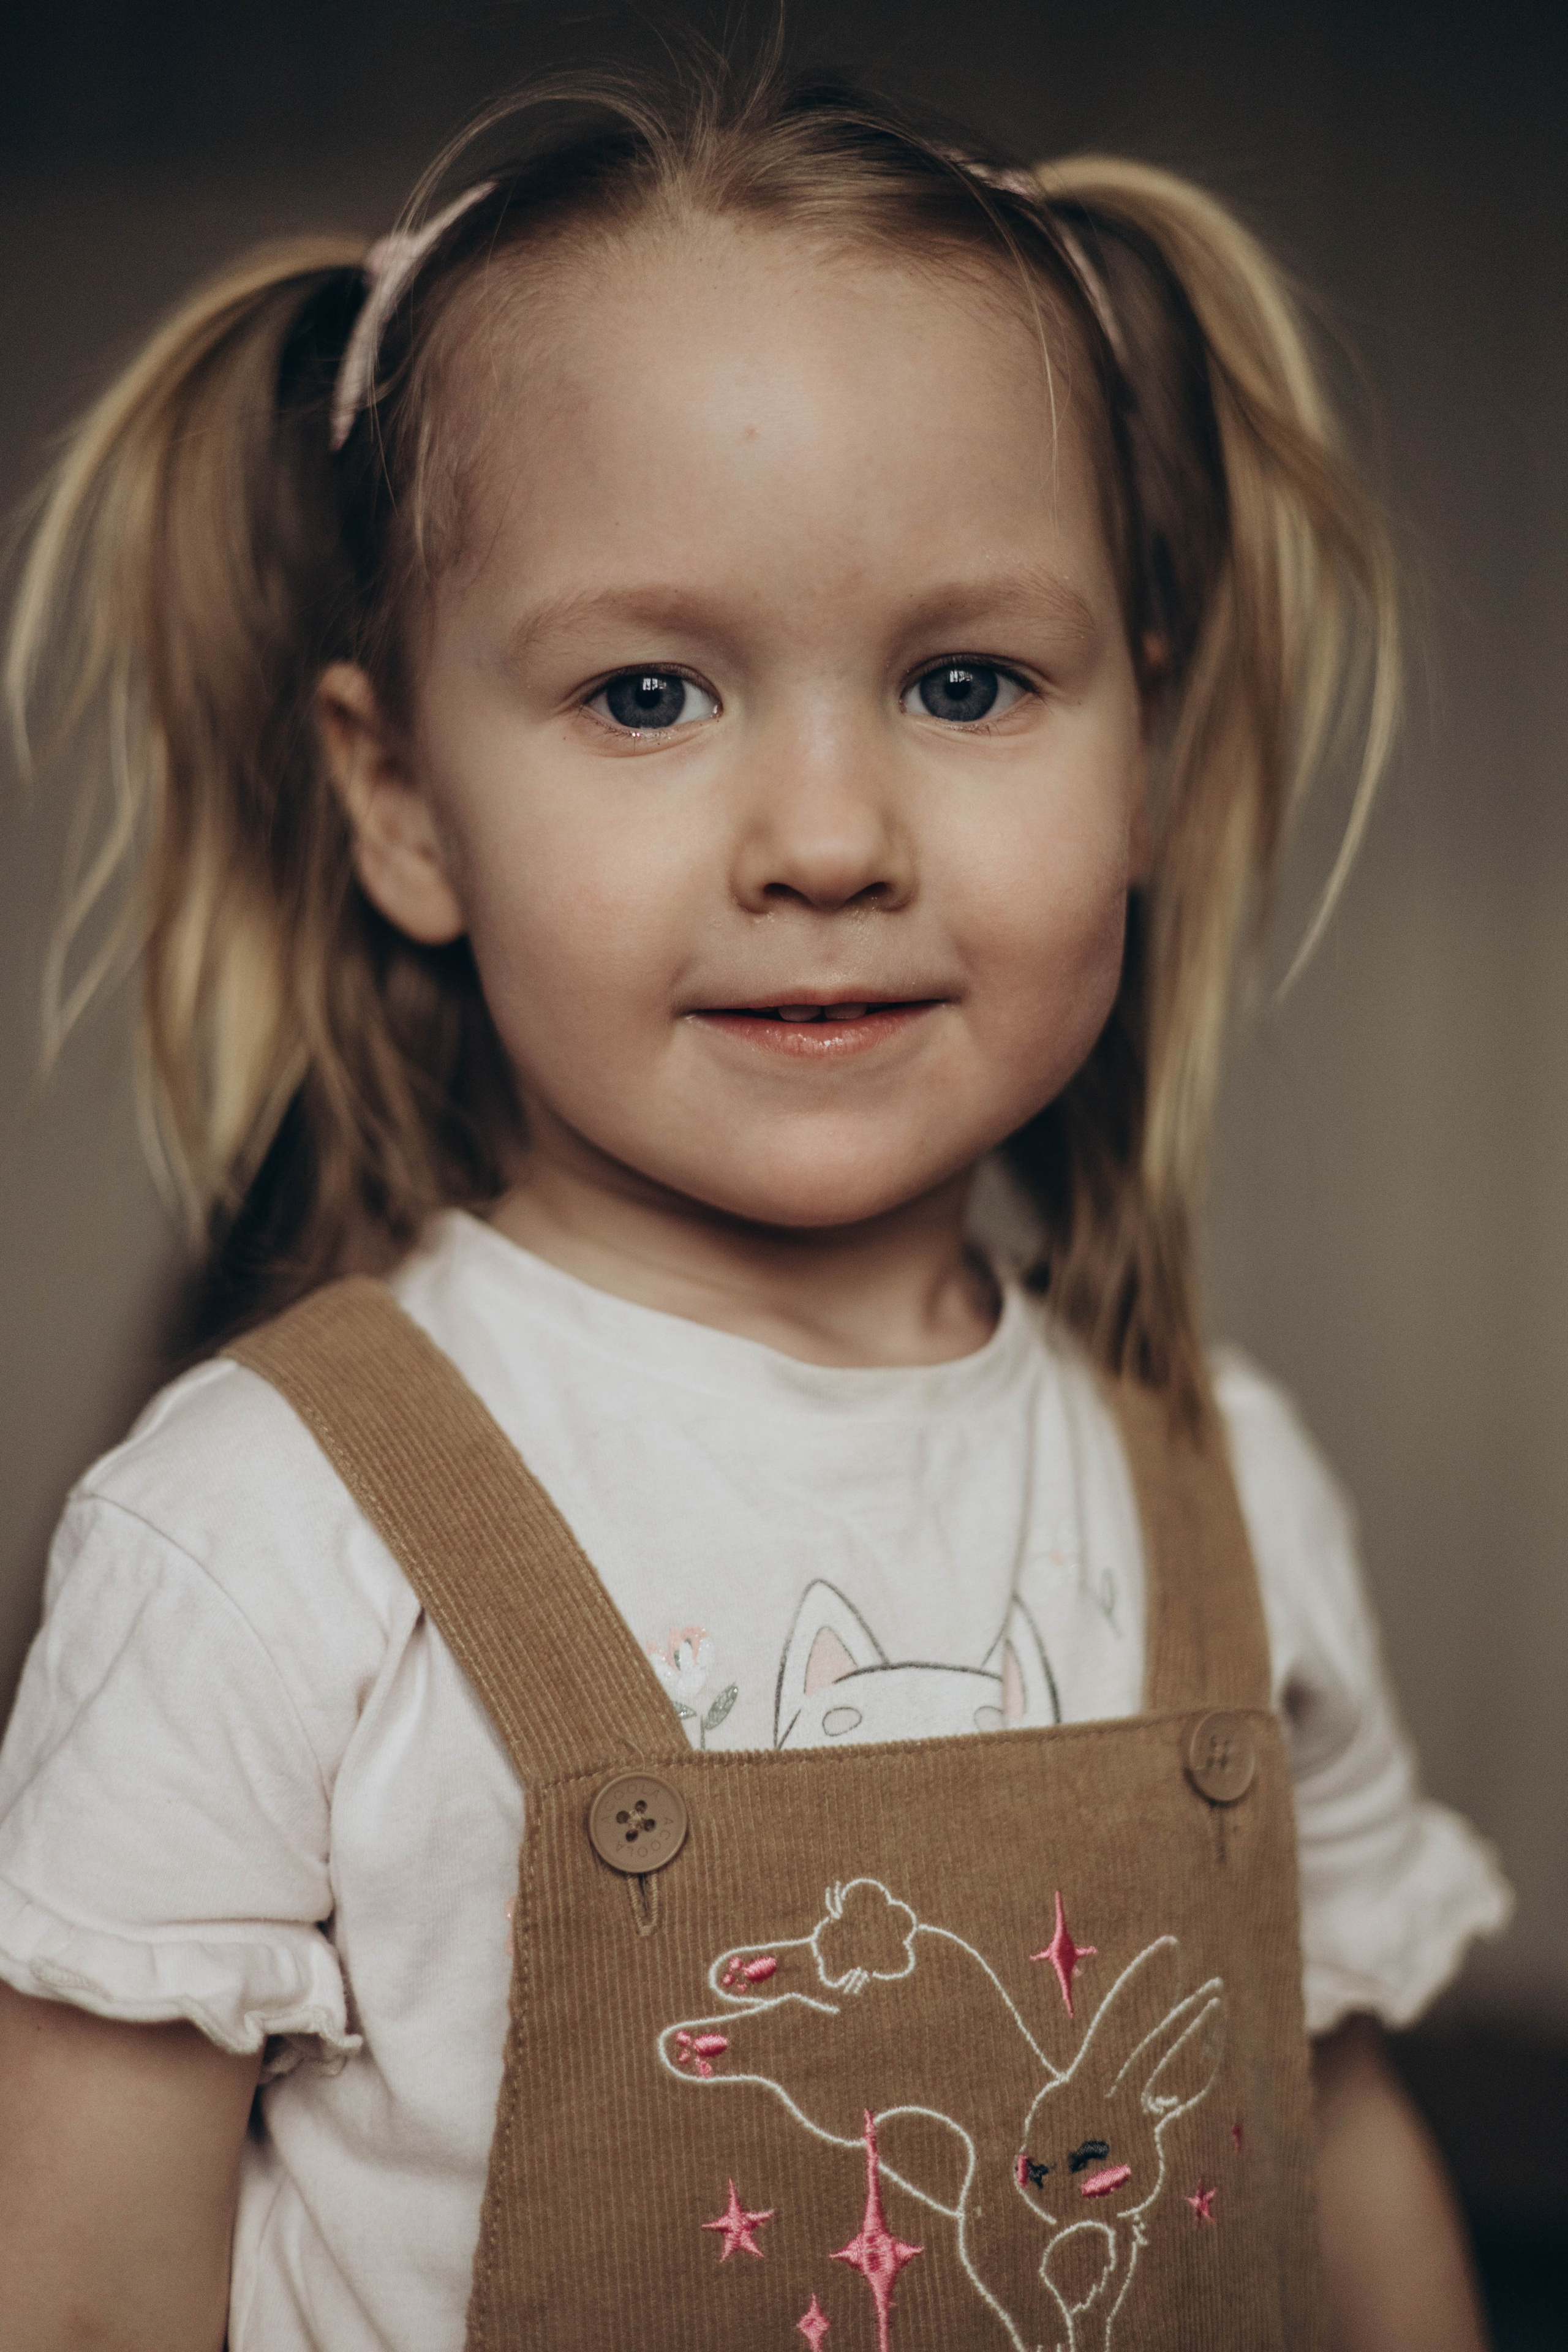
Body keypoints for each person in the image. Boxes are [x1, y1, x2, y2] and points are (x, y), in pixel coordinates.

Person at [0, 55, 1511, 2352]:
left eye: (970, 680)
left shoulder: (1229, 1492)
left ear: (1145, 765)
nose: (828, 834)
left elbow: (1347, 2173)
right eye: (644, 694)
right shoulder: (264, 1544)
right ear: (401, 801)